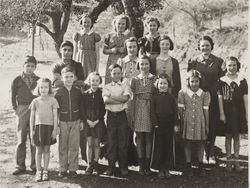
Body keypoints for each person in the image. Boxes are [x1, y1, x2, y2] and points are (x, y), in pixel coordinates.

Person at [187, 35, 224, 164]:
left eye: (207, 45)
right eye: (202, 45)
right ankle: (201, 153)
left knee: (211, 124)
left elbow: (222, 81)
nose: (205, 48)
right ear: (199, 47)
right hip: (198, 96)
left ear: (211, 46)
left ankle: (211, 153)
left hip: (213, 96)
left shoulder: (218, 61)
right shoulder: (193, 61)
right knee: (199, 122)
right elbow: (189, 80)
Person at [217, 56, 248, 172]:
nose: (232, 67)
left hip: (239, 111)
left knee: (237, 136)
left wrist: (246, 115)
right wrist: (222, 113)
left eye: (234, 65)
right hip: (227, 111)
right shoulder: (222, 80)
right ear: (226, 66)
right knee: (228, 136)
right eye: (229, 65)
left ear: (237, 65)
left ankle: (236, 161)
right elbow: (220, 98)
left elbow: (245, 98)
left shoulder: (242, 80)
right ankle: (228, 161)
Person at [178, 70, 210, 176]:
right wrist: (182, 124)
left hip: (200, 121)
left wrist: (207, 125)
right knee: (188, 143)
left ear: (200, 81)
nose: (194, 84)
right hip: (187, 121)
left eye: (196, 81)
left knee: (200, 143)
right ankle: (189, 166)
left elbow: (206, 111)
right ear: (188, 82)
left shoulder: (204, 94)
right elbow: (181, 111)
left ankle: (200, 166)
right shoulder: (182, 93)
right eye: (192, 81)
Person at [11, 56, 40, 175]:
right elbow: (12, 96)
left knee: (34, 137)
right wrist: (15, 108)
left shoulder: (38, 79)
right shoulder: (17, 80)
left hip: (34, 108)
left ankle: (35, 165)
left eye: (32, 66)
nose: (30, 68)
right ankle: (20, 165)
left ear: (35, 67)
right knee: (21, 137)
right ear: (23, 66)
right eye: (27, 65)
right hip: (22, 108)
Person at [102, 64, 132, 176]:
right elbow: (106, 101)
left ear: (121, 73)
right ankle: (111, 167)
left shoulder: (125, 86)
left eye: (118, 73)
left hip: (122, 116)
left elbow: (126, 98)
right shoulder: (106, 87)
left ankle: (123, 166)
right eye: (114, 73)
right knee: (111, 142)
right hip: (111, 116)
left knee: (122, 142)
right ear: (110, 74)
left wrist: (112, 98)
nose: (116, 75)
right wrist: (120, 100)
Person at [54, 66, 83, 178]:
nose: (69, 79)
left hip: (75, 121)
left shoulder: (78, 92)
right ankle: (62, 168)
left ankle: (73, 169)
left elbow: (81, 107)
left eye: (71, 77)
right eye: (66, 77)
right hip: (63, 122)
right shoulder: (59, 92)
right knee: (63, 146)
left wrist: (81, 121)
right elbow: (56, 110)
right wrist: (57, 125)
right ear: (62, 78)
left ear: (74, 78)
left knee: (74, 145)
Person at [130, 55, 156, 175]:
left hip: (150, 109)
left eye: (146, 64)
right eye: (142, 64)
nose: (144, 66)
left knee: (149, 137)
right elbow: (132, 97)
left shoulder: (154, 79)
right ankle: (141, 163)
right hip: (139, 108)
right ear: (138, 66)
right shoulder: (135, 80)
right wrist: (132, 113)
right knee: (139, 137)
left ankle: (147, 163)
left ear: (150, 65)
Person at [29, 78, 59, 181]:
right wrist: (32, 130)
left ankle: (45, 171)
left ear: (49, 88)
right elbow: (32, 117)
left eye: (46, 87)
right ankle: (38, 171)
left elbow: (55, 116)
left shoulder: (53, 100)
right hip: (38, 128)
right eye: (41, 87)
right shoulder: (35, 101)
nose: (43, 89)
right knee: (38, 150)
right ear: (38, 88)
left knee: (47, 150)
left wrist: (55, 130)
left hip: (49, 128)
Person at [151, 73, 179, 178]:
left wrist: (176, 124)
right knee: (159, 146)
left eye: (165, 83)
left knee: (168, 146)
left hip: (169, 124)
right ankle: (160, 168)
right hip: (159, 125)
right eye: (161, 83)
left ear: (168, 85)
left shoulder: (171, 98)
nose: (163, 86)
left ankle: (166, 167)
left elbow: (175, 112)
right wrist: (155, 124)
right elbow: (152, 112)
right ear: (157, 85)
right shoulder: (154, 98)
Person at [81, 72, 106, 175]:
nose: (94, 83)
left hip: (98, 122)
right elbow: (82, 109)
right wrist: (87, 120)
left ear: (99, 82)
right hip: (88, 122)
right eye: (92, 80)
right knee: (89, 144)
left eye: (97, 81)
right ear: (89, 81)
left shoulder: (102, 94)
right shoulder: (85, 94)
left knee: (96, 144)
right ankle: (89, 164)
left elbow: (103, 110)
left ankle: (96, 164)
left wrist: (97, 120)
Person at [103, 15, 132, 84]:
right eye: (119, 23)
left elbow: (133, 48)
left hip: (124, 61)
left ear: (126, 25)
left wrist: (126, 50)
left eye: (123, 24)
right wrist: (111, 50)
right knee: (111, 80)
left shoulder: (129, 35)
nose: (121, 26)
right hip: (112, 61)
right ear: (115, 24)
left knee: (123, 81)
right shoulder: (109, 35)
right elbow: (104, 50)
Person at [73, 14, 101, 78]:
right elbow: (75, 51)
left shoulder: (95, 36)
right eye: (84, 22)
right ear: (81, 23)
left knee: (90, 77)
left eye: (88, 22)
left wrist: (97, 68)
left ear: (91, 23)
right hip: (79, 58)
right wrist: (73, 65)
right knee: (79, 76)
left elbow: (97, 52)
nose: (86, 24)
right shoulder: (77, 35)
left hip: (91, 60)